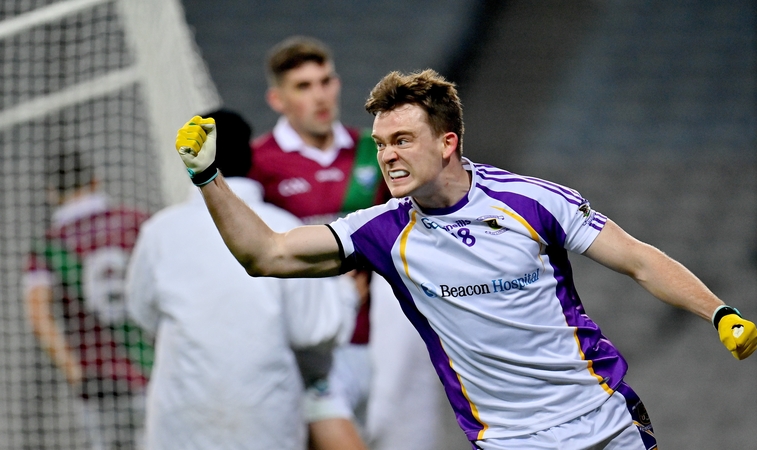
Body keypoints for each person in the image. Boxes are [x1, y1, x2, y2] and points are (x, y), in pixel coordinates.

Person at [174, 69, 757, 449]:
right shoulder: (380, 231)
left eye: (401, 140)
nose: (387, 156)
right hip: (509, 443)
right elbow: (266, 254)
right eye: (379, 144)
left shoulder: (531, 202)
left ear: (447, 142)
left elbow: (638, 260)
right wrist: (207, 176)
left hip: (605, 424)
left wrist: (719, 312)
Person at [248, 36, 450, 448]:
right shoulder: (259, 163)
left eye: (326, 81)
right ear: (277, 98)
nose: (320, 96)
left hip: (376, 340)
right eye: (303, 87)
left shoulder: (375, 151)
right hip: (304, 346)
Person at [125, 109, 366, 450]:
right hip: (264, 423)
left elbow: (141, 312)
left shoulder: (159, 232)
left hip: (180, 422)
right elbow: (316, 329)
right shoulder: (283, 227)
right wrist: (345, 295)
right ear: (251, 157)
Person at [24, 150, 153, 450]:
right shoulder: (135, 221)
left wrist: (77, 375)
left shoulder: (48, 247)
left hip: (98, 381)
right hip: (151, 365)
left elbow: (39, 318)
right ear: (95, 180)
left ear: (52, 193)